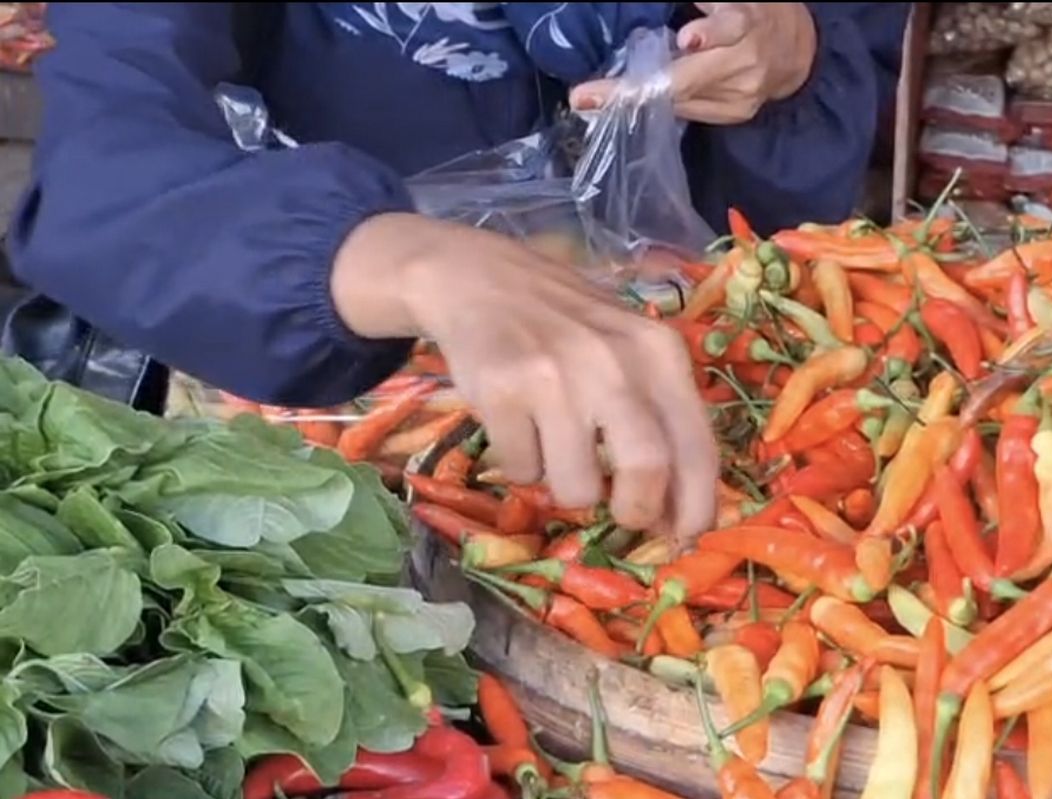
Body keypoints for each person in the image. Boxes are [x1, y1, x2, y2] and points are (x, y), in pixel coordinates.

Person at [5, 2, 910, 550]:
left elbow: (825, 104)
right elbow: (104, 166)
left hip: (669, 401)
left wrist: (793, 51)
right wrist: (398, 254)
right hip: (298, 394)